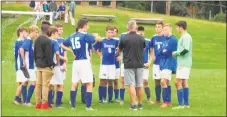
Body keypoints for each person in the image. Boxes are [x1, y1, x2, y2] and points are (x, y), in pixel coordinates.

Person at [60, 19, 102, 110]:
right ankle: (88, 106)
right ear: (84, 25)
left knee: (74, 83)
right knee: (89, 83)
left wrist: (71, 50)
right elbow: (98, 39)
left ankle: (73, 106)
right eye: (87, 25)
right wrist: (96, 35)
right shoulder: (85, 35)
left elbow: (62, 45)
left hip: (76, 62)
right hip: (84, 61)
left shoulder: (72, 35)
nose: (88, 27)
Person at [117, 20, 145, 111]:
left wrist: (116, 53)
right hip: (140, 63)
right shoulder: (141, 38)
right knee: (139, 85)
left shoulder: (124, 38)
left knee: (131, 85)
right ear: (136, 27)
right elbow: (143, 47)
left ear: (128, 27)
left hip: (128, 63)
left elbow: (119, 49)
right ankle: (140, 104)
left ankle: (133, 104)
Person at [94, 26, 119, 104]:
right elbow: (95, 48)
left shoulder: (116, 41)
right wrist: (100, 55)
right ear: (106, 32)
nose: (110, 34)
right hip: (104, 64)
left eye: (112, 32)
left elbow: (121, 49)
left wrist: (118, 55)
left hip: (112, 64)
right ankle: (101, 99)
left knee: (110, 81)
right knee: (102, 81)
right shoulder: (102, 40)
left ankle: (109, 99)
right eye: (109, 32)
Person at [34, 21, 54, 110]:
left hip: (38, 64)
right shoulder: (47, 41)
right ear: (47, 29)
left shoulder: (37, 39)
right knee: (45, 85)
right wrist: (51, 65)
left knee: (38, 85)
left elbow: (34, 53)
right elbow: (49, 55)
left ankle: (37, 104)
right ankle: (44, 104)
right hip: (46, 65)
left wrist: (37, 61)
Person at [172, 21, 192, 109]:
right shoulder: (184, 36)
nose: (176, 29)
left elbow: (186, 50)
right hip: (183, 63)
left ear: (181, 27)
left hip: (183, 64)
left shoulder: (186, 37)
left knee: (177, 82)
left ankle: (181, 105)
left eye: (177, 27)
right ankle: (186, 104)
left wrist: (176, 53)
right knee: (184, 83)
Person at [19, 25, 39, 106]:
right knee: (34, 82)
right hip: (29, 65)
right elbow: (21, 49)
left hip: (29, 64)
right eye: (36, 32)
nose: (37, 34)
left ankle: (25, 101)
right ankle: (27, 101)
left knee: (25, 82)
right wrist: (24, 61)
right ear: (32, 31)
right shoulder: (28, 40)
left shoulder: (29, 40)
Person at [159, 24, 178, 108]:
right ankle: (169, 101)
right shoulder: (164, 39)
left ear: (170, 30)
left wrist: (164, 51)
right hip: (163, 63)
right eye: (164, 30)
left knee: (163, 81)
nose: (164, 31)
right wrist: (163, 51)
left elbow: (169, 52)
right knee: (166, 82)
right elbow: (160, 51)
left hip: (169, 63)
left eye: (166, 30)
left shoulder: (173, 39)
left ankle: (165, 101)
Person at [48, 26, 66, 108]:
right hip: (55, 65)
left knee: (50, 84)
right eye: (56, 33)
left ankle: (49, 103)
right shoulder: (55, 42)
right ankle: (58, 104)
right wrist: (59, 62)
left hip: (48, 66)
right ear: (53, 33)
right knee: (60, 84)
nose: (57, 35)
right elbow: (57, 53)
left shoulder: (47, 41)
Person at [150, 21, 166, 104]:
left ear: (163, 28)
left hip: (164, 63)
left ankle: (166, 100)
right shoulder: (154, 37)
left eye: (159, 27)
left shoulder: (166, 37)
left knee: (164, 81)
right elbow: (151, 47)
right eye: (156, 27)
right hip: (156, 63)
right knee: (157, 80)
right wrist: (152, 55)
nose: (157, 28)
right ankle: (157, 99)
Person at [137, 26, 154, 104]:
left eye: (142, 33)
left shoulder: (148, 41)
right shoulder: (134, 40)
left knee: (145, 81)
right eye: (139, 33)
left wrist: (149, 62)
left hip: (145, 64)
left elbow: (151, 53)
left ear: (143, 32)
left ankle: (149, 98)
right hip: (136, 64)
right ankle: (137, 99)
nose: (140, 34)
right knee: (136, 82)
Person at [13, 27, 28, 105]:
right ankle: (17, 99)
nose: (26, 34)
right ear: (21, 33)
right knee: (24, 82)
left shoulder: (20, 41)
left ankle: (19, 99)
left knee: (21, 83)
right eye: (25, 32)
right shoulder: (19, 42)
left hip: (19, 64)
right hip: (21, 64)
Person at [113, 27, 120, 102]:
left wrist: (121, 56)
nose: (113, 33)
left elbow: (125, 50)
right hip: (108, 64)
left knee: (115, 81)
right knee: (108, 81)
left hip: (116, 64)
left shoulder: (119, 41)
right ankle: (107, 98)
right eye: (112, 31)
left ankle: (116, 97)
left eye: (115, 32)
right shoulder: (107, 40)